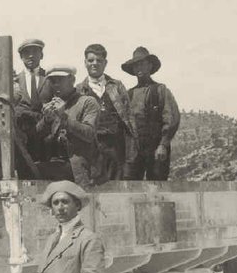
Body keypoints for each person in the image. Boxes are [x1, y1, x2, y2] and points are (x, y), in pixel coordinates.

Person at [76, 43, 133, 183]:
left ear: (105, 63)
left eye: (99, 60)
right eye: (90, 60)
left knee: (116, 188)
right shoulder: (79, 90)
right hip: (91, 148)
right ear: (85, 63)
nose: (94, 64)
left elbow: (129, 119)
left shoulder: (116, 86)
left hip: (115, 147)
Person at [121, 46, 180, 180]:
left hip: (155, 148)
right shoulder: (128, 95)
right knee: (131, 186)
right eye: (136, 65)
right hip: (134, 150)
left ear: (149, 66)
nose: (139, 68)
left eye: (142, 64)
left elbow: (171, 118)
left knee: (157, 186)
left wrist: (163, 145)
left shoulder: (160, 90)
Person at [36, 66, 98, 187]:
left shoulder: (87, 102)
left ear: (72, 80)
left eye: (60, 79)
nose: (56, 85)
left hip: (79, 169)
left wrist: (63, 117)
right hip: (55, 165)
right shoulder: (52, 104)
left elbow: (89, 134)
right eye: (53, 81)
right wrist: (47, 120)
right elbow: (37, 135)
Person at [16, 38, 48, 111]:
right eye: (27, 52)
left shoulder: (49, 78)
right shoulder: (15, 80)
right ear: (21, 57)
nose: (31, 56)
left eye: (35, 52)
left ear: (41, 55)